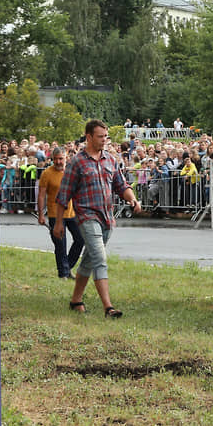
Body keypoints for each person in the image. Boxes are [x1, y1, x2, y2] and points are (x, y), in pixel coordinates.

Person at [54, 120, 141, 318]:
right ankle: (108, 307)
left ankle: (76, 300)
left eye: (106, 136)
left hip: (107, 219)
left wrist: (133, 199)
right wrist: (59, 222)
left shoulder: (110, 159)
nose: (104, 140)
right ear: (89, 137)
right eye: (100, 137)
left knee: (89, 260)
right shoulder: (77, 162)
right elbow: (63, 195)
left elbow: (121, 185)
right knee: (100, 259)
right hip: (86, 216)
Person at [38, 147, 85, 278]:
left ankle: (67, 267)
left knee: (80, 239)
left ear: (66, 158)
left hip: (72, 213)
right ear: (52, 159)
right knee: (60, 244)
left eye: (61, 159)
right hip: (54, 214)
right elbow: (41, 195)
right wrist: (41, 214)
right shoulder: (47, 173)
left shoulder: (71, 171)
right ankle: (64, 274)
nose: (58, 162)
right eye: (55, 159)